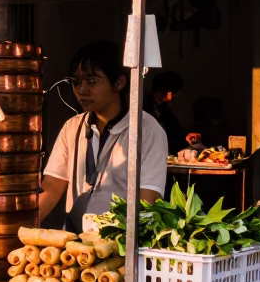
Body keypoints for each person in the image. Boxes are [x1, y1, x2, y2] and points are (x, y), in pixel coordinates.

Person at [39, 41, 168, 232]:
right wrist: (15, 229)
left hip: (119, 244)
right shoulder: (72, 127)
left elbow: (148, 201)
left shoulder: (147, 131)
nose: (81, 90)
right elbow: (51, 188)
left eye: (92, 81)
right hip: (75, 242)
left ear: (119, 82)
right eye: (76, 82)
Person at [144, 70, 185, 153]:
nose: (178, 95)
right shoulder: (143, 106)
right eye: (175, 91)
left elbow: (177, 134)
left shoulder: (166, 111)